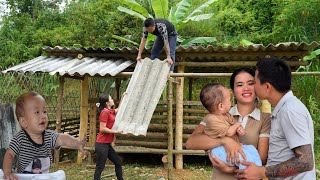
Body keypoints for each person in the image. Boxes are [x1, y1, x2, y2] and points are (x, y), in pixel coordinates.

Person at [235, 57, 315, 179]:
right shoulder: (283, 109)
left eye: (255, 82)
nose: (253, 87)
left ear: (267, 87)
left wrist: (263, 172)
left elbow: (305, 161)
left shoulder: (290, 110)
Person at [186, 67, 271, 179]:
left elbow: (262, 158)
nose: (246, 88)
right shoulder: (218, 115)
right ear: (233, 91)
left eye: (250, 83)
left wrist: (230, 169)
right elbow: (191, 143)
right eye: (240, 85)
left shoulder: (265, 119)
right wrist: (225, 141)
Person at [2, 91, 86, 180]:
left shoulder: (49, 136)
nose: (43, 116)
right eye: (37, 112)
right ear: (24, 122)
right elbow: (9, 154)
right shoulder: (20, 139)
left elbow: (63, 138)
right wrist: (7, 172)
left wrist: (77, 143)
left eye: (44, 111)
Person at [200, 83, 262, 170]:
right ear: (221, 106)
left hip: (231, 146)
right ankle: (248, 172)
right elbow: (229, 132)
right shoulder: (212, 119)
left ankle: (258, 168)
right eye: (229, 100)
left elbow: (231, 127)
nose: (231, 103)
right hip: (220, 150)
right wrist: (237, 124)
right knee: (244, 158)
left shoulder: (225, 115)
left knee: (251, 149)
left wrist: (238, 129)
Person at [94, 93, 124, 180]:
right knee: (100, 167)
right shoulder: (105, 112)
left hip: (106, 144)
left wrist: (123, 98)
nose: (112, 99)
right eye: (111, 99)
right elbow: (102, 129)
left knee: (118, 162)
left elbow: (119, 109)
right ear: (107, 103)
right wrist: (116, 131)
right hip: (101, 144)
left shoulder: (109, 111)